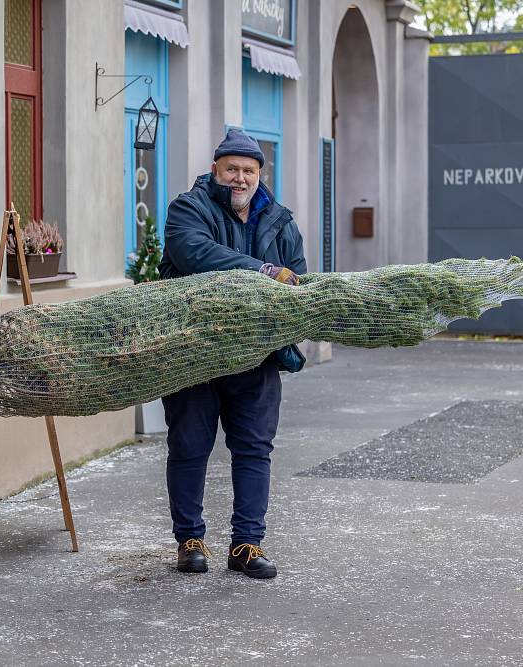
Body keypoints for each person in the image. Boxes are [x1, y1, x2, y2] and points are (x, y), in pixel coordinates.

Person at [158, 128, 306, 579]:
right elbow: (194, 253)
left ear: (260, 175)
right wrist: (263, 271)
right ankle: (190, 540)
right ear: (215, 170)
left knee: (254, 449)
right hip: (193, 357)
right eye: (232, 170)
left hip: (256, 358)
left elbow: (298, 277)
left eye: (249, 171)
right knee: (188, 446)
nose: (239, 179)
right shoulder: (188, 208)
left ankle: (247, 544)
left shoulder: (280, 220)